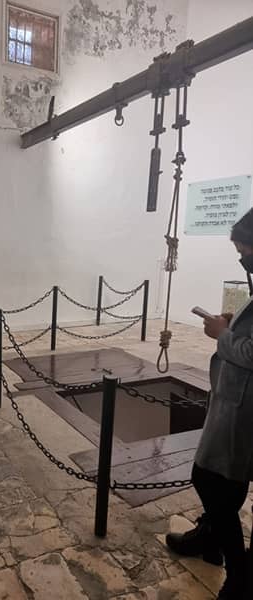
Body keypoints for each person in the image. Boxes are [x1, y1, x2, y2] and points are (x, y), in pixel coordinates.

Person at [167, 209, 253, 600]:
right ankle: (211, 541)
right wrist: (233, 324)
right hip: (237, 398)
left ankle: (238, 572)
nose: (241, 257)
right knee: (227, 481)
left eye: (245, 250)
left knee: (208, 477)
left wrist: (223, 335)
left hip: (244, 405)